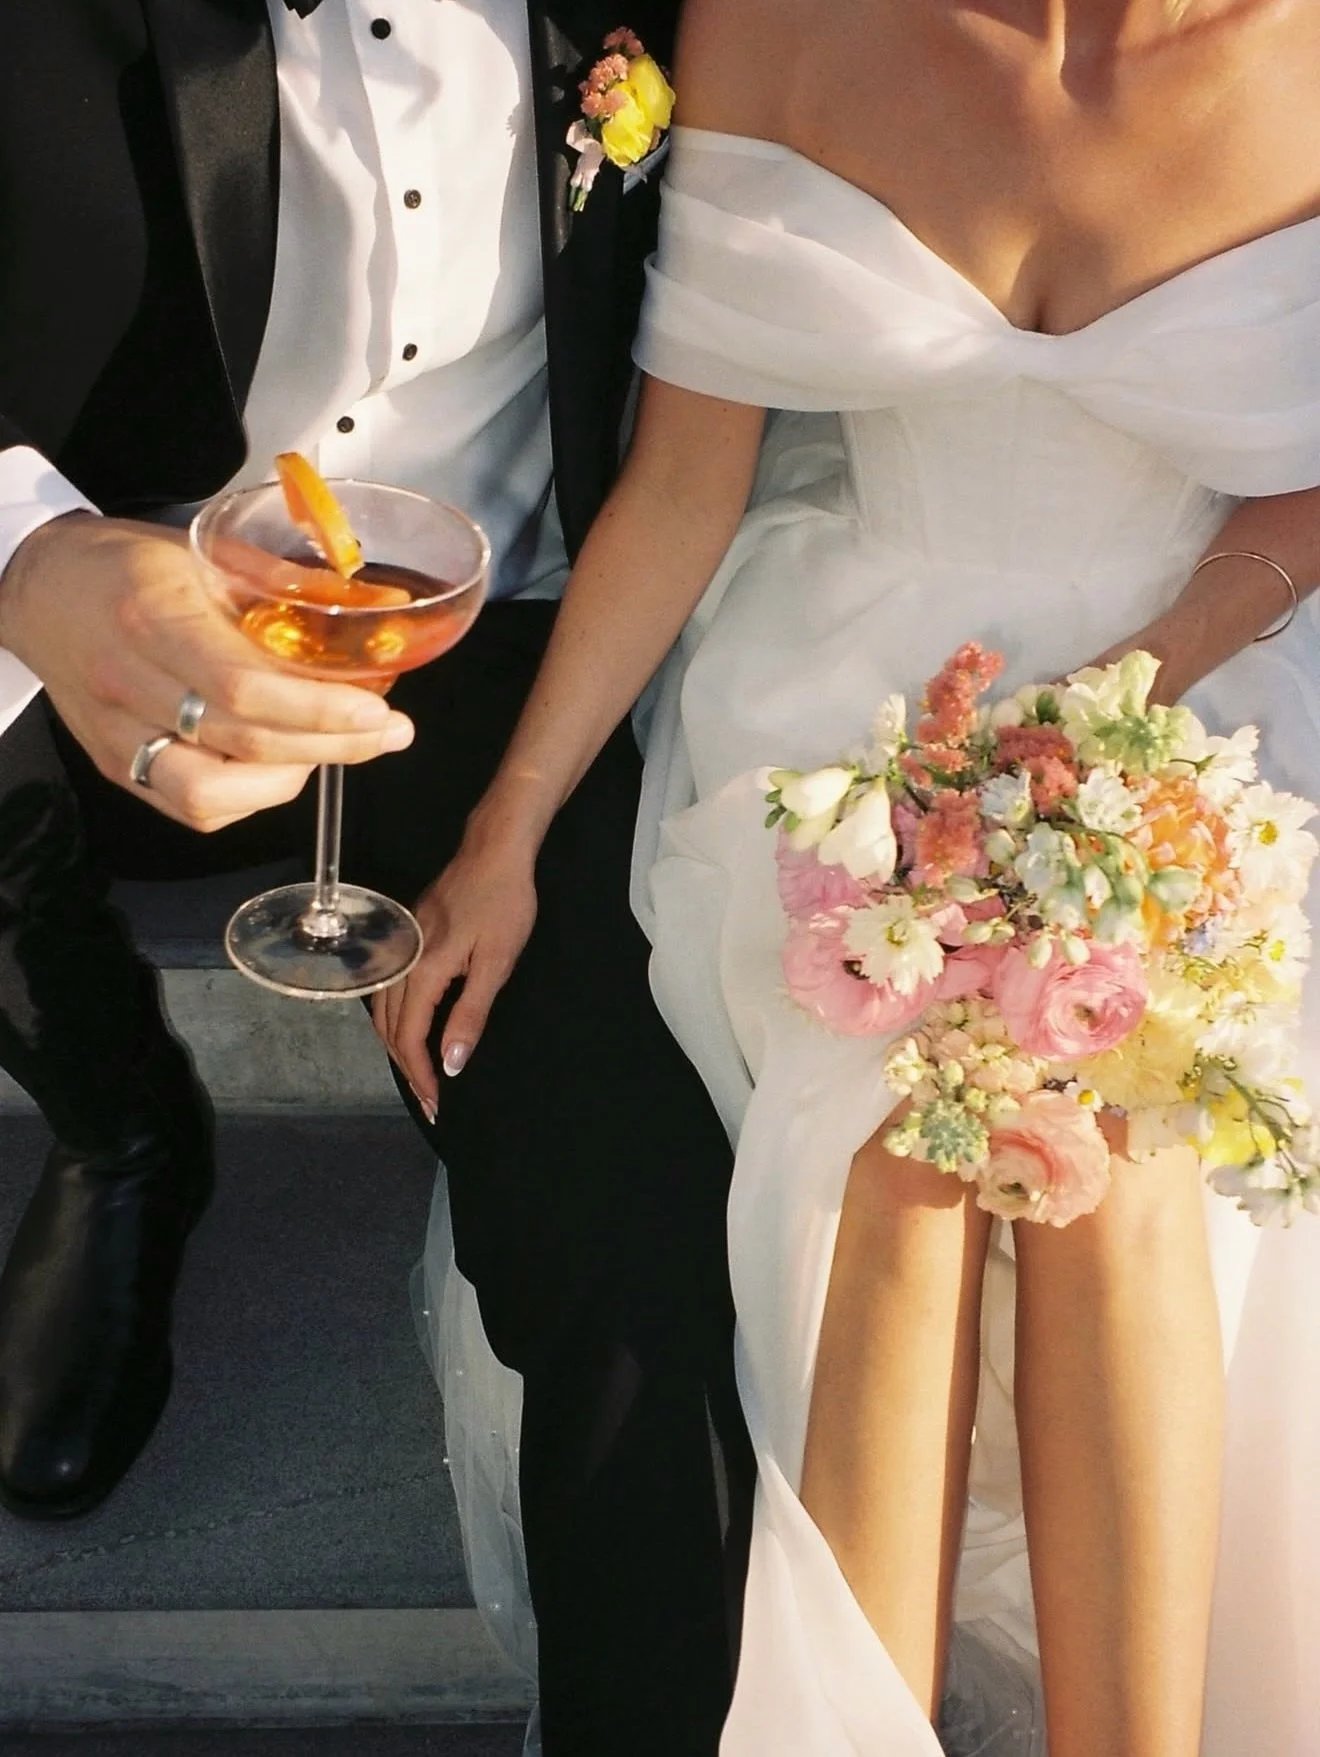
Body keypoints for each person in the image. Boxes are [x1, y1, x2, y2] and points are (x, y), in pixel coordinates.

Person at [377, 0, 1320, 1750]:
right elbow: (679, 487)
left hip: (1214, 685)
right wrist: (503, 831)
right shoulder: (782, 23)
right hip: (832, 698)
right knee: (896, 1129)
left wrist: (1130, 701)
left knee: (1118, 1148)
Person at [0, 6, 752, 1753]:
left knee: (639, 1246)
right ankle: (121, 1129)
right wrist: (31, 553)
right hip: (110, 595)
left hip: (502, 672)